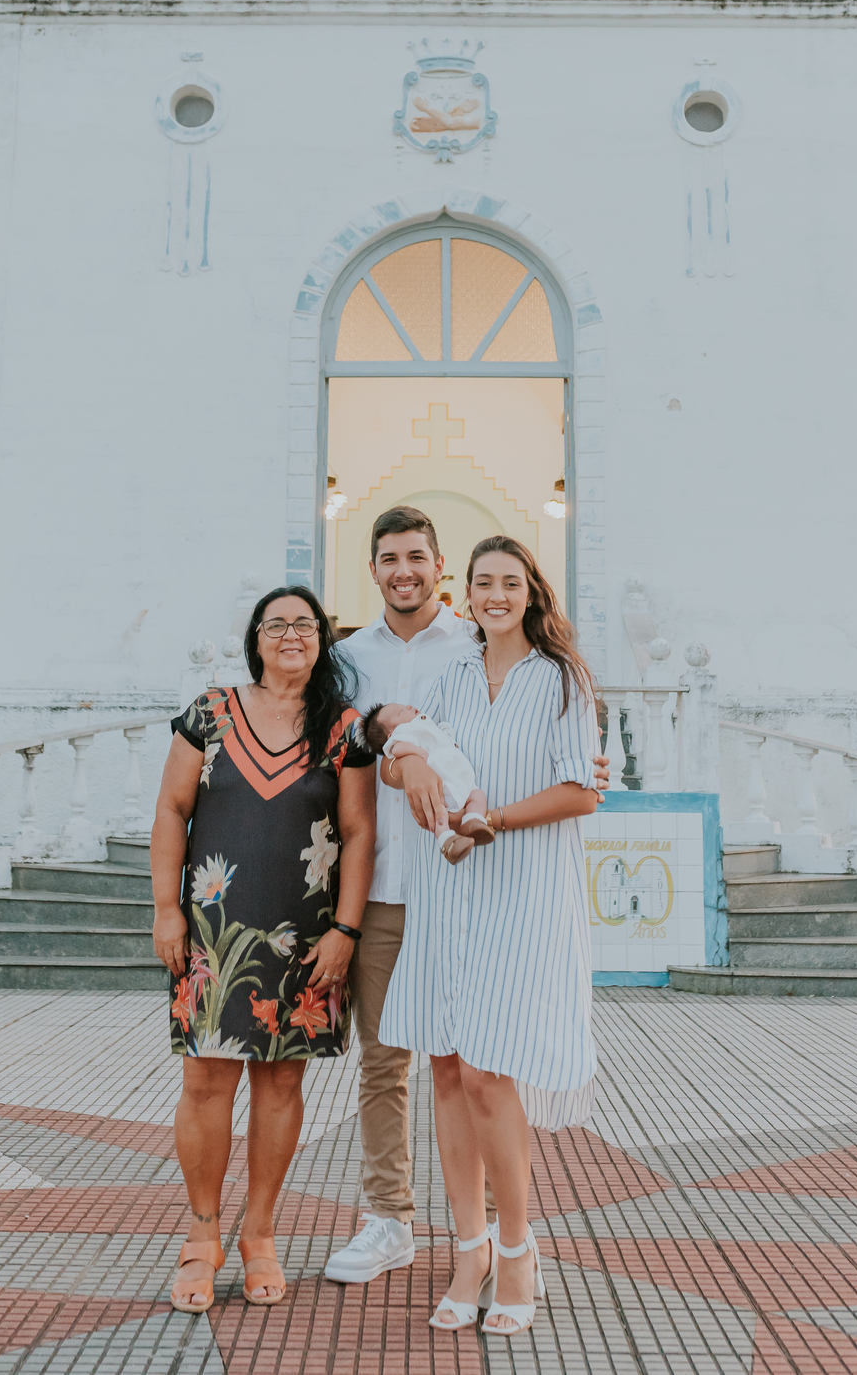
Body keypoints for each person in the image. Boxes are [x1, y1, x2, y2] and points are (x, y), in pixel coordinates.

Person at [323, 505, 608, 1287]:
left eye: (418, 557)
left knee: (482, 1071)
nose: (404, 570)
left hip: (483, 889)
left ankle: (497, 1240)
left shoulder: (511, 660)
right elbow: (357, 746)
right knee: (395, 1062)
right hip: (390, 880)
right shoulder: (349, 658)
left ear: (439, 568)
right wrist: (403, 756)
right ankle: (396, 1223)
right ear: (374, 568)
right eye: (389, 558)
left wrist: (561, 787)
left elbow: (577, 778)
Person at [150, 585, 377, 1312]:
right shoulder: (210, 714)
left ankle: (261, 1233)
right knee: (205, 1083)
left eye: (304, 625)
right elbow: (172, 810)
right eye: (276, 625)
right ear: (255, 638)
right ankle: (202, 1234)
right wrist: (165, 910)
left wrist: (344, 931)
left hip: (308, 935)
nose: (290, 636)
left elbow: (360, 832)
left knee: (282, 1085)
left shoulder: (342, 729)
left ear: (322, 641)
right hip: (216, 931)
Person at [359, 701, 492, 862]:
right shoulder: (404, 733)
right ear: (391, 735)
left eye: (404, 706)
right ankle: (446, 840)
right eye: (400, 712)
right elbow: (396, 749)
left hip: (459, 778)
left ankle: (473, 821)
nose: (408, 707)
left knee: (477, 795)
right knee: (438, 809)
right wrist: (417, 753)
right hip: (440, 779)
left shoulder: (425, 724)